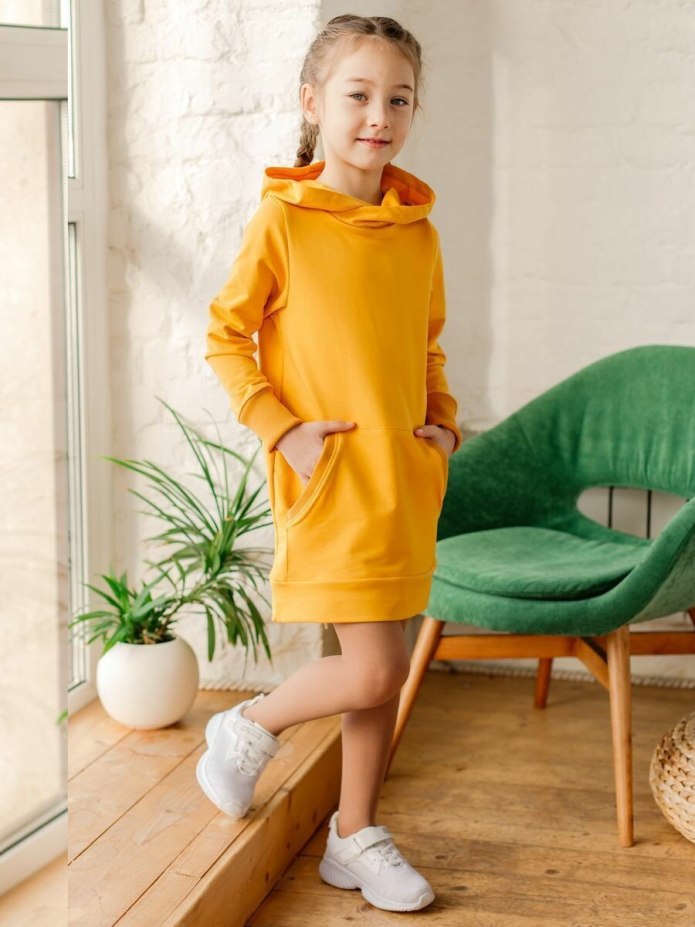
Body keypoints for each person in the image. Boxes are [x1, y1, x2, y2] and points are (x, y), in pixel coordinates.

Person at [199, 13, 462, 914]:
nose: (378, 116)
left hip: (401, 482)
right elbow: (226, 337)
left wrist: (443, 428)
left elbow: (426, 349)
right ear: (313, 103)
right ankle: (246, 723)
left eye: (399, 98)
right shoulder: (284, 220)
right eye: (358, 95)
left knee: (377, 670)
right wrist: (284, 430)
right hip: (330, 482)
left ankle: (354, 833)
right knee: (378, 669)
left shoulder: (418, 233)